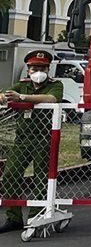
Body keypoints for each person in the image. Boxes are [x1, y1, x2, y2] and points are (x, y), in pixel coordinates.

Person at [0, 50, 64, 235]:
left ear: (48, 69)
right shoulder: (23, 84)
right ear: (28, 69)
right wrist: (6, 97)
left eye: (42, 67)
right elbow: (6, 95)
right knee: (11, 175)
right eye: (34, 67)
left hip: (44, 138)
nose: (38, 71)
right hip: (23, 138)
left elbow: (52, 99)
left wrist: (23, 98)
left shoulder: (55, 85)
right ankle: (14, 217)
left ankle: (36, 217)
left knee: (42, 178)